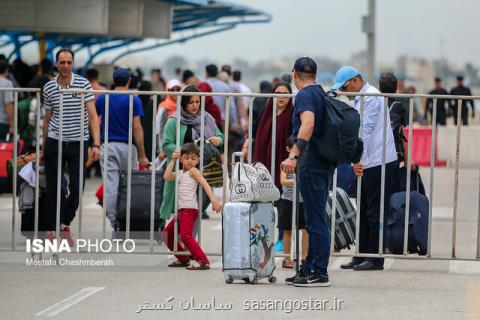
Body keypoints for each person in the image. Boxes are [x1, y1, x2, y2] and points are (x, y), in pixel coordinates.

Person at [332, 66, 397, 271]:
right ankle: (361, 254)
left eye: (344, 88)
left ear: (355, 81)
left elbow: (365, 131)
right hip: (369, 161)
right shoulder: (363, 97)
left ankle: (375, 258)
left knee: (374, 211)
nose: (343, 93)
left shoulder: (370, 97)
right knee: (363, 210)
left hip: (378, 161)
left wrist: (358, 159)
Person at [282, 57, 334, 287]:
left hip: (311, 163)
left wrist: (293, 154)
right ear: (315, 74)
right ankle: (310, 267)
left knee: (315, 219)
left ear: (294, 74)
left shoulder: (304, 95)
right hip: (323, 162)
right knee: (315, 218)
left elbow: (308, 124)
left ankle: (319, 271)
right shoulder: (322, 93)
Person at [41, 48, 101, 244]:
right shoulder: (49, 87)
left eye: (68, 62)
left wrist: (96, 143)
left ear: (73, 64)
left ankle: (64, 224)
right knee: (53, 188)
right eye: (62, 62)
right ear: (56, 64)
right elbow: (47, 119)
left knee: (77, 187)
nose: (65, 65)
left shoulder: (83, 84)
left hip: (78, 141)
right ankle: (50, 229)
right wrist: (43, 146)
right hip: (54, 140)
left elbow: (93, 116)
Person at [95, 68, 149, 236]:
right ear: (129, 80)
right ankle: (127, 223)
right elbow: (137, 127)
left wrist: (96, 143)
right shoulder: (134, 99)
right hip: (127, 147)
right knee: (127, 187)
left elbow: (95, 120)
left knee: (111, 186)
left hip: (108, 145)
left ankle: (115, 223)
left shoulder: (104, 97)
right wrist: (142, 155)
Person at [242, 82, 294, 252]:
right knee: (264, 201)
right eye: (278, 93)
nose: (281, 96)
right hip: (264, 163)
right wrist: (247, 143)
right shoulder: (267, 112)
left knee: (281, 202)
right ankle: (263, 237)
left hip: (282, 165)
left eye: (285, 93)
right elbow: (255, 131)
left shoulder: (292, 115)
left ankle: (280, 238)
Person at [159, 85, 224, 222]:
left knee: (195, 212)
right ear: (183, 103)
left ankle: (188, 240)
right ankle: (182, 241)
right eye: (190, 102)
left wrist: (218, 140)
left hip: (203, 171)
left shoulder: (207, 118)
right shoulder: (174, 121)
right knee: (180, 212)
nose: (195, 105)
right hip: (182, 173)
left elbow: (220, 136)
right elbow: (166, 144)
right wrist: (184, 152)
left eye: (197, 102)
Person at [162, 143, 222, 270]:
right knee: (166, 234)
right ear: (181, 158)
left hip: (190, 209)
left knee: (185, 235)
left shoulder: (194, 171)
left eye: (193, 158)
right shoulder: (180, 173)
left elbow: (205, 184)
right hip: (181, 211)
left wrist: (214, 201)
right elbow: (166, 176)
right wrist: (173, 160)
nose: (190, 161)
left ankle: (203, 260)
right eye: (186, 157)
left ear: (198, 160)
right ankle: (184, 258)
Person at [279, 136, 308, 269]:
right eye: (293, 149)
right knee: (287, 230)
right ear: (288, 149)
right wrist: (296, 181)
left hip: (303, 200)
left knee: (306, 230)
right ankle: (287, 258)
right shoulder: (285, 164)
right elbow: (283, 181)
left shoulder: (304, 163)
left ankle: (304, 257)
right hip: (288, 200)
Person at [156, 79, 182, 159]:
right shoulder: (164, 107)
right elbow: (159, 130)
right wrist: (162, 149)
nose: (175, 92)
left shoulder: (184, 106)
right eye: (172, 90)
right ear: (167, 90)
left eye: (178, 89)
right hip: (168, 147)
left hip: (181, 146)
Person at [0, 60, 15, 140]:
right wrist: (12, 124)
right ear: (6, 70)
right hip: (2, 122)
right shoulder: (7, 83)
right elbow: (8, 104)